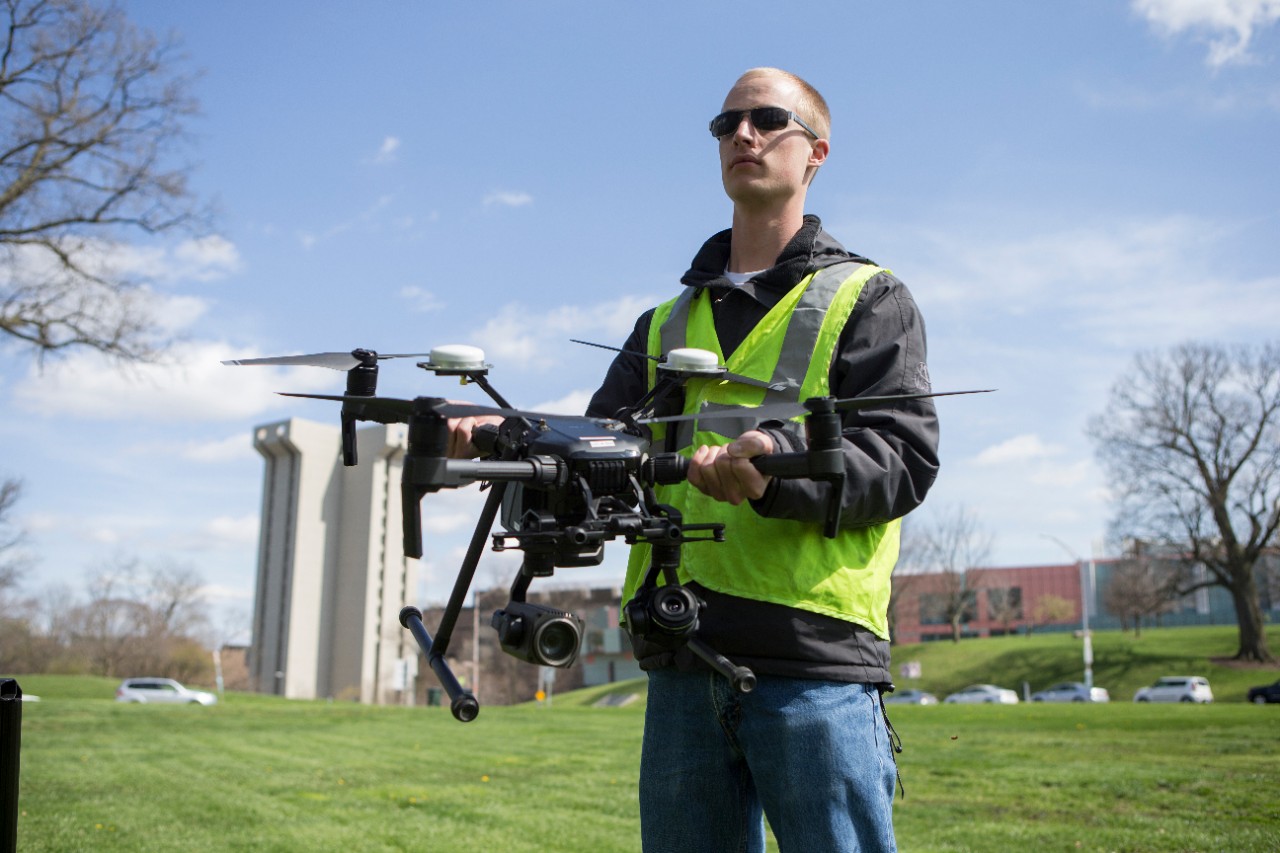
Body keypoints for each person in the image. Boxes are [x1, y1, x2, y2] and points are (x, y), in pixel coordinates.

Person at [449, 67, 939, 853]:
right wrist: (509, 435)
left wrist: (774, 466)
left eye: (766, 119)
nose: (741, 134)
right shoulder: (664, 322)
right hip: (681, 654)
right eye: (726, 124)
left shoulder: (870, 299)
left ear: (815, 152)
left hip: (813, 665)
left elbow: (902, 458)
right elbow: (598, 450)